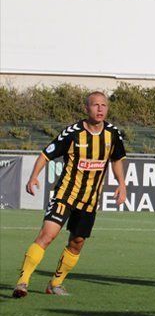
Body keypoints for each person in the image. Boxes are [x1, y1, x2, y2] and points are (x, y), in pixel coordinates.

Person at [13, 91, 127, 298]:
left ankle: (55, 283)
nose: (100, 109)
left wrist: (122, 184)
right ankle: (23, 282)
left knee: (77, 242)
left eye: (104, 105)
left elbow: (117, 159)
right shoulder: (72, 133)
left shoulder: (113, 134)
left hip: (90, 200)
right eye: (95, 105)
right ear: (87, 108)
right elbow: (46, 154)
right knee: (47, 236)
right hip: (65, 195)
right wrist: (33, 177)